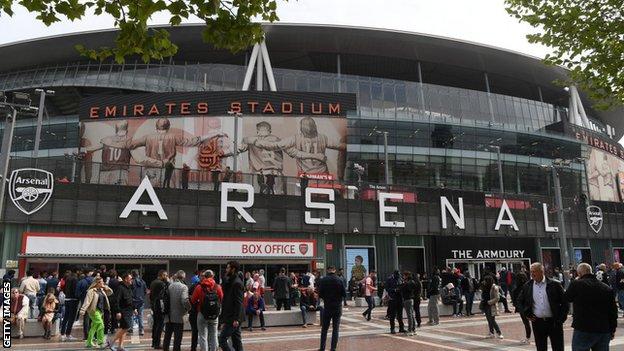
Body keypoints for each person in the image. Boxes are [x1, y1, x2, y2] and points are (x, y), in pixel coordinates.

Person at [565, 263, 617, 351]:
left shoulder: (577, 284)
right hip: (603, 328)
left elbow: (567, 297)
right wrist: (612, 329)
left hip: (583, 327)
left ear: (579, 274)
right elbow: (613, 311)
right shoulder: (606, 288)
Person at [518, 262, 568, 351]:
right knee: (541, 348)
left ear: (542, 272)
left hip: (554, 322)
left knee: (558, 347)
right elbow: (519, 301)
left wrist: (561, 319)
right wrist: (526, 314)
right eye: (531, 271)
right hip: (538, 322)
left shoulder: (554, 284)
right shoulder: (528, 286)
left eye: (534, 271)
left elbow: (565, 302)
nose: (532, 274)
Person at [191, 270, 223, 351]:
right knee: (214, 335)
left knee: (203, 336)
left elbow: (193, 300)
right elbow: (222, 299)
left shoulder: (199, 287)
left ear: (204, 276)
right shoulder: (217, 287)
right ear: (212, 276)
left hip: (202, 313)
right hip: (215, 314)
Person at [79, 277, 113, 348]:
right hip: (93, 310)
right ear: (96, 283)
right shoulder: (91, 291)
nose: (102, 283)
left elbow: (110, 292)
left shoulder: (102, 290)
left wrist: (105, 287)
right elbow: (87, 301)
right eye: (101, 282)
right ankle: (101, 342)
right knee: (101, 324)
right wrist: (82, 310)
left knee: (94, 327)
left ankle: (89, 342)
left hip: (100, 311)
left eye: (103, 282)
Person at [318, 266, 346, 351]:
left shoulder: (323, 280)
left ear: (327, 270)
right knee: (335, 329)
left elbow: (320, 294)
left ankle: (322, 348)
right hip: (337, 307)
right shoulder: (340, 280)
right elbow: (344, 294)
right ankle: (333, 348)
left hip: (327, 307)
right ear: (335, 270)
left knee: (324, 329)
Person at [219, 261, 245, 351]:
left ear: (233, 269)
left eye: (228, 268)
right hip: (231, 316)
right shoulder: (231, 281)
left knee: (222, 339)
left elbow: (239, 302)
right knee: (236, 341)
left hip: (233, 317)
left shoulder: (237, 283)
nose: (226, 270)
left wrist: (236, 319)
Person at [163, 270, 191, 351]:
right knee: (177, 338)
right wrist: (189, 308)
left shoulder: (170, 286)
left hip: (168, 315)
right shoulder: (184, 287)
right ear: (183, 277)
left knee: (167, 336)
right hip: (179, 316)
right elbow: (184, 300)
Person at [112, 272, 135, 351]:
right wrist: (118, 311)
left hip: (129, 310)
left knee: (123, 328)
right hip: (123, 311)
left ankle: (120, 346)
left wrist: (134, 309)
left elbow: (130, 299)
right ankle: (111, 342)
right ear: (126, 279)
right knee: (127, 327)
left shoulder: (128, 287)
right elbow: (116, 300)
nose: (132, 280)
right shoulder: (120, 288)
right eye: (130, 278)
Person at [150, 270, 169, 350]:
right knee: (160, 325)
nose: (166, 277)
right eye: (165, 275)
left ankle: (154, 342)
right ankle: (157, 343)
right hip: (159, 306)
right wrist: (168, 282)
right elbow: (168, 288)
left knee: (155, 325)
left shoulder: (153, 282)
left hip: (154, 305)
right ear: (162, 275)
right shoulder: (161, 283)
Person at [511, 272, 532, 344]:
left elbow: (515, 300)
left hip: (522, 308)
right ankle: (529, 337)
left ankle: (528, 338)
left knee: (526, 323)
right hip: (529, 306)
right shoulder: (529, 285)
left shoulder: (517, 288)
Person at [60, 271, 79, 342]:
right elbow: (76, 291)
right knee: (71, 318)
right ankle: (68, 334)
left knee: (66, 317)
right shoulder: (75, 280)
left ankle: (62, 333)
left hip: (67, 299)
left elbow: (64, 289)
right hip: (73, 300)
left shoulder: (67, 279)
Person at [400, 271, 420, 335]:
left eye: (404, 275)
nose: (403, 277)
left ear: (406, 276)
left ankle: (410, 330)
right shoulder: (413, 282)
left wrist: (403, 285)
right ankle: (413, 329)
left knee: (409, 315)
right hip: (411, 299)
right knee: (412, 315)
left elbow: (403, 289)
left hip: (407, 299)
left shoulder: (408, 283)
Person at [130, 269, 147, 336]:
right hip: (141, 300)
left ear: (132, 275)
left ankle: (131, 328)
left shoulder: (131, 282)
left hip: (133, 300)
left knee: (131, 314)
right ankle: (141, 330)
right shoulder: (142, 282)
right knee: (140, 315)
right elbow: (145, 291)